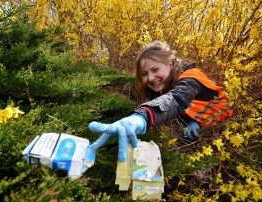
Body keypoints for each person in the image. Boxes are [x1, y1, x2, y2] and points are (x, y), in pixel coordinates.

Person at [88, 41, 233, 162]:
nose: (150, 78)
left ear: (170, 64)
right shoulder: (161, 84)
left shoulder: (191, 79)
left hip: (226, 127)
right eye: (144, 74)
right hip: (199, 124)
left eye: (155, 69)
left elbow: (176, 99)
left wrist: (142, 118)